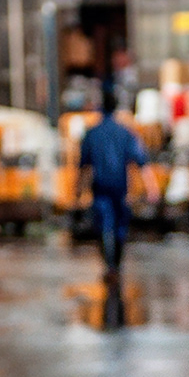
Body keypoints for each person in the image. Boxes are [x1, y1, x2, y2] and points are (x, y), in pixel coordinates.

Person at [77, 109, 158, 274]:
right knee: (119, 227)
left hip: (100, 188)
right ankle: (117, 264)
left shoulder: (92, 133)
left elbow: (84, 165)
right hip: (120, 189)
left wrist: (77, 190)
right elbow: (142, 161)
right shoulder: (126, 133)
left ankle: (109, 265)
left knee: (103, 226)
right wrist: (152, 188)